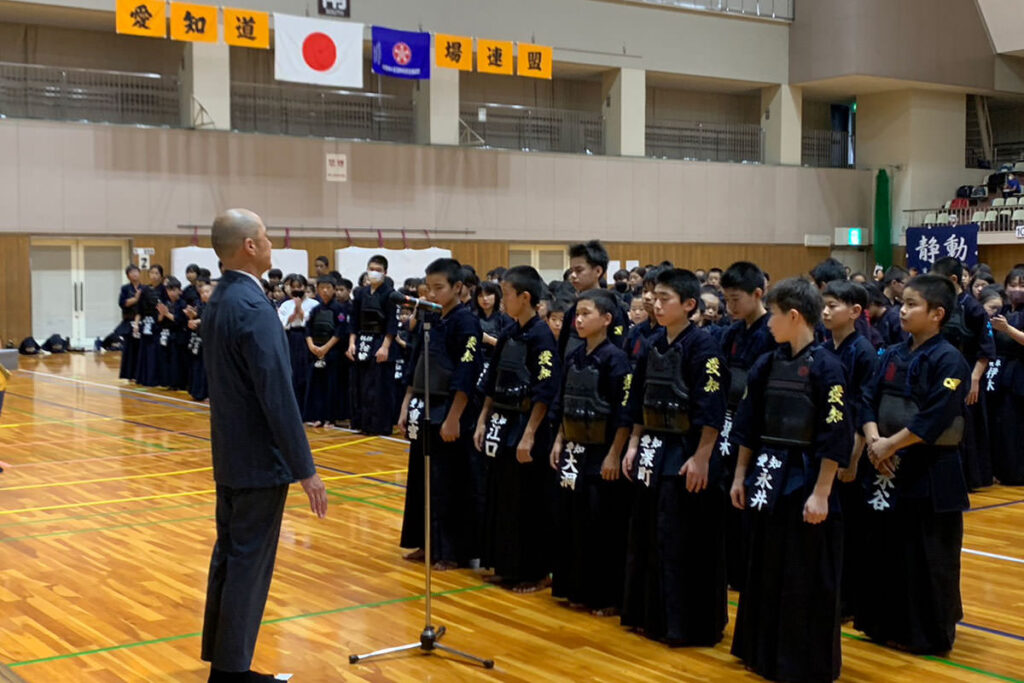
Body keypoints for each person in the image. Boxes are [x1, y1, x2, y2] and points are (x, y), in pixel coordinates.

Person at [200, 209, 327, 683]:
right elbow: (277, 394)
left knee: (230, 556)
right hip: (258, 461)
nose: (271, 242)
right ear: (250, 247)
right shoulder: (253, 308)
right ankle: (231, 672)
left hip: (230, 455)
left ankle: (223, 661)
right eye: (266, 236)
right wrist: (305, 468)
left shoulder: (221, 300)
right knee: (248, 564)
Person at [730, 277, 852, 683]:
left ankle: (801, 661)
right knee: (764, 565)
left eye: (775, 316)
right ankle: (760, 652)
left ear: (794, 315)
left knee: (803, 573)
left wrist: (821, 493)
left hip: (805, 480)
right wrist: (740, 475)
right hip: (768, 475)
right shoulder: (767, 363)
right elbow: (747, 426)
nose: (768, 324)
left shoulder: (829, 368)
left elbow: (835, 437)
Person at [855, 274, 970, 654]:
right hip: (884, 464)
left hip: (929, 469)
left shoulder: (950, 359)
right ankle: (882, 623)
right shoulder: (890, 353)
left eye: (912, 304)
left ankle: (926, 634)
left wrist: (891, 445)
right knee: (885, 549)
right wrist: (874, 442)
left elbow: (935, 417)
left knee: (929, 556)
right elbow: (867, 398)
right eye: (901, 302)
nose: (902, 310)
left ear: (937, 313)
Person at [621, 268, 728, 646]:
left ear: (689, 305)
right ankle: (651, 617)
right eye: (654, 296)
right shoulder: (652, 343)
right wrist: (633, 444)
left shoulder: (704, 347)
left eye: (665, 298)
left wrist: (702, 458)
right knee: (649, 535)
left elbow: (712, 410)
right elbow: (639, 401)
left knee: (680, 540)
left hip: (686, 453)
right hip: (654, 448)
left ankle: (686, 625)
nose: (656, 303)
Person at [474, 265, 560, 592]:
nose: (502, 300)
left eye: (506, 294)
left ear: (524, 297)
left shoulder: (541, 336)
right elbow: (492, 381)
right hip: (503, 422)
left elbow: (545, 388)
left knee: (530, 502)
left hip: (528, 427)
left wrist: (530, 434)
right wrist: (483, 420)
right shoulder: (509, 331)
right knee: (503, 496)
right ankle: (506, 565)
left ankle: (536, 572)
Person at [548, 289, 632, 614]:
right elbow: (562, 402)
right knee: (572, 519)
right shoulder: (573, 356)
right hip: (573, 449)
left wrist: (615, 453)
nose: (578, 320)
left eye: (586, 314)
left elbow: (624, 412)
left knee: (601, 526)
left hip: (602, 452)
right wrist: (559, 440)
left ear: (607, 320)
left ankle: (605, 596)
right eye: (576, 314)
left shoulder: (616, 359)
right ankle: (574, 587)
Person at [398, 258, 482, 569]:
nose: (431, 294)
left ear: (458, 288)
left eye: (439, 288)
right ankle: (426, 542)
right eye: (428, 288)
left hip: (450, 409)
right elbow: (416, 364)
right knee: (422, 477)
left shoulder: (466, 323)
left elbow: (466, 372)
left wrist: (454, 417)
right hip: (424, 406)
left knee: (448, 482)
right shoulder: (429, 318)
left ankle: (452, 550)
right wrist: (407, 404)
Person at [820, 280, 878, 621]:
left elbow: (861, 409)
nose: (825, 311)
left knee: (851, 532)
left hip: (850, 455)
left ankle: (849, 602)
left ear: (855, 312)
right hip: (828, 450)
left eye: (833, 305)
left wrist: (852, 459)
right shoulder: (824, 348)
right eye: (824, 305)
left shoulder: (863, 352)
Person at [716, 261, 776, 590]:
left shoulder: (773, 332)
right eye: (726, 299)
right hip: (728, 423)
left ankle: (749, 571)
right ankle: (731, 569)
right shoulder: (730, 333)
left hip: (757, 428)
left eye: (736, 299)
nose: (730, 306)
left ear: (758, 293)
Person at [930, 256, 995, 490]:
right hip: (943, 374)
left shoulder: (973, 307)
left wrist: (975, 380)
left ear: (953, 279)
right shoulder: (939, 305)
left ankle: (973, 478)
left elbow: (986, 349)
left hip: (969, 374)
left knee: (970, 426)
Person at [347, 255, 398, 435]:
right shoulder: (360, 293)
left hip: (380, 340)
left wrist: (385, 347)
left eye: (378, 270)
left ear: (385, 273)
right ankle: (362, 422)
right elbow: (353, 320)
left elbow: (392, 323)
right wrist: (351, 343)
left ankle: (380, 425)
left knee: (378, 385)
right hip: (362, 340)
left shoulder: (390, 294)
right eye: (371, 269)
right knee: (361, 384)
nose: (374, 273)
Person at [559, 241, 627, 361]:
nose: (573, 276)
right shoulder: (571, 310)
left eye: (579, 270)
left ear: (598, 271)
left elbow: (619, 348)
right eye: (571, 271)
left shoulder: (615, 307)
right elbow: (562, 347)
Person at [303, 276, 348, 428]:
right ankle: (318, 417)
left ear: (334, 290)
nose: (324, 290)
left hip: (333, 353)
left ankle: (331, 418)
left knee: (331, 385)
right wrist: (312, 346)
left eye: (328, 287)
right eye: (321, 287)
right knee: (317, 385)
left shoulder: (340, 309)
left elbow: (340, 331)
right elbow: (308, 329)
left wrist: (325, 348)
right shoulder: (315, 309)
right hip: (315, 351)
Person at [277, 274, 317, 407]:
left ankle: (307, 406)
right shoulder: (285, 305)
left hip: (307, 337)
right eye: (293, 287)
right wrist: (293, 313)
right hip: (291, 336)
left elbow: (312, 321)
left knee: (306, 370)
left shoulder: (314, 304)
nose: (296, 289)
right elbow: (282, 323)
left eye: (299, 286)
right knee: (292, 370)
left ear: (305, 287)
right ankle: (293, 405)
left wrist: (300, 311)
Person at [187, 279, 213, 402]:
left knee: (208, 368)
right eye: (202, 292)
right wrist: (192, 320)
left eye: (207, 292)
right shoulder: (200, 306)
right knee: (198, 366)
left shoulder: (217, 307)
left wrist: (199, 321)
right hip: (199, 341)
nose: (204, 294)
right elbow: (194, 322)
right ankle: (198, 391)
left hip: (212, 343)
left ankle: (209, 393)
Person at [118, 265, 143, 381]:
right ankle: (128, 374)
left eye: (136, 272)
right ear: (128, 276)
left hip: (141, 321)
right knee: (129, 349)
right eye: (131, 272)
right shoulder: (125, 289)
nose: (134, 274)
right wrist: (135, 299)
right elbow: (123, 303)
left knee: (140, 349)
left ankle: (139, 374)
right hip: (128, 321)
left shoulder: (145, 288)